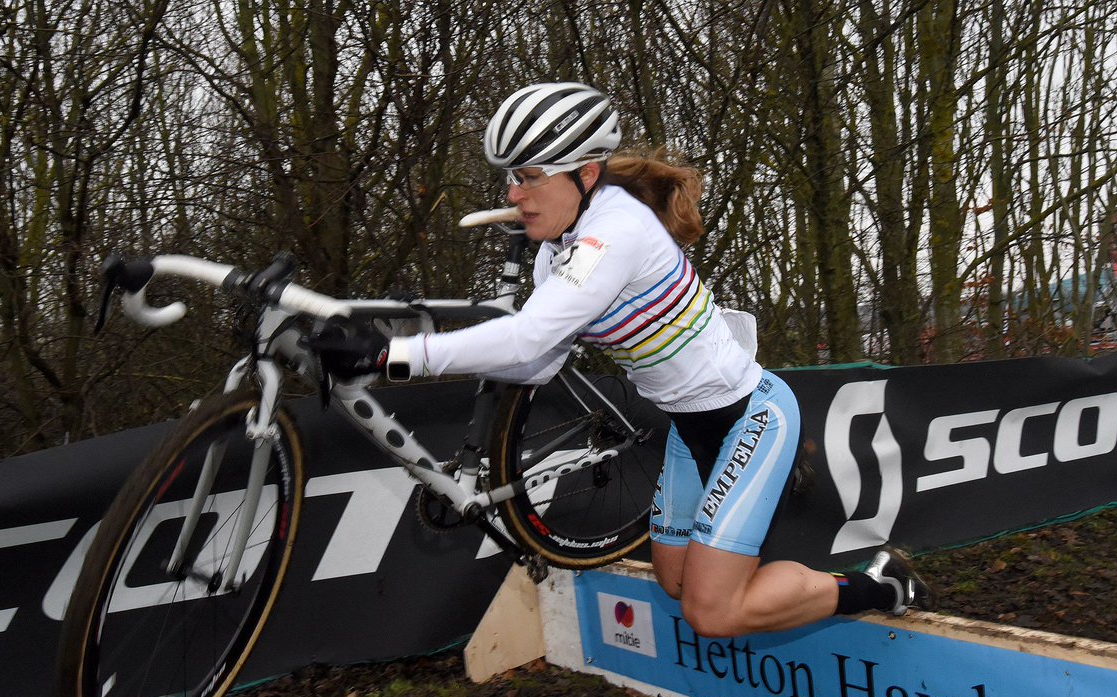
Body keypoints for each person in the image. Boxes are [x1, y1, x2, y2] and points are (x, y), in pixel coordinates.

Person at [317, 81, 934, 637]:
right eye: (510, 178)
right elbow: (537, 363)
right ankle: (799, 579)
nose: (513, 194)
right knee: (676, 584)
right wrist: (420, 348)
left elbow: (527, 339)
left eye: (529, 176)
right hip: (687, 427)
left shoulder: (616, 232)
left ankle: (878, 586)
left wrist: (393, 354)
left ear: (585, 173)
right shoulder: (557, 250)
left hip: (751, 418)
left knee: (711, 612)